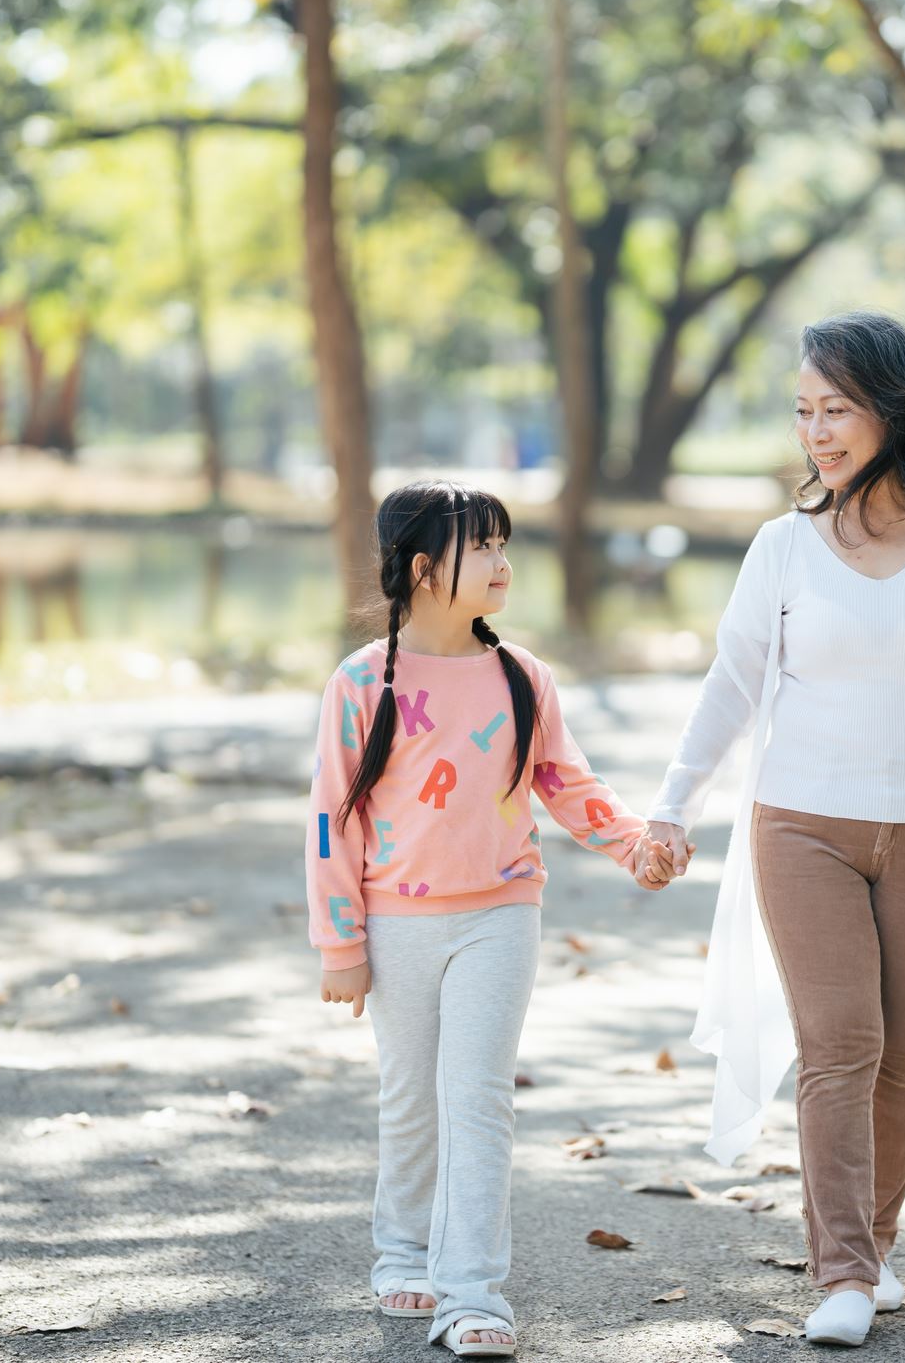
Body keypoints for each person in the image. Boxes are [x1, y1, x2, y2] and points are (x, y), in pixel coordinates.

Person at [644, 312, 905, 1347]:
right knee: (842, 1042)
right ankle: (838, 1273)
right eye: (803, 411)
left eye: (835, 409)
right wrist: (671, 803)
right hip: (803, 827)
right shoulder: (781, 550)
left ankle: (871, 1249)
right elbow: (730, 686)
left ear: (893, 410)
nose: (816, 431)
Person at [305, 479, 672, 1358]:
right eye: (486, 549)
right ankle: (404, 1249)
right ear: (425, 569)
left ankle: (473, 1295)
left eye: (508, 546)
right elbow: (331, 817)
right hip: (396, 923)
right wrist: (340, 942)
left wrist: (631, 844)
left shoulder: (520, 676)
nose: (506, 565)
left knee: (476, 1101)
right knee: (411, 1099)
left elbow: (565, 782)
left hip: (500, 914)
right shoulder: (362, 682)